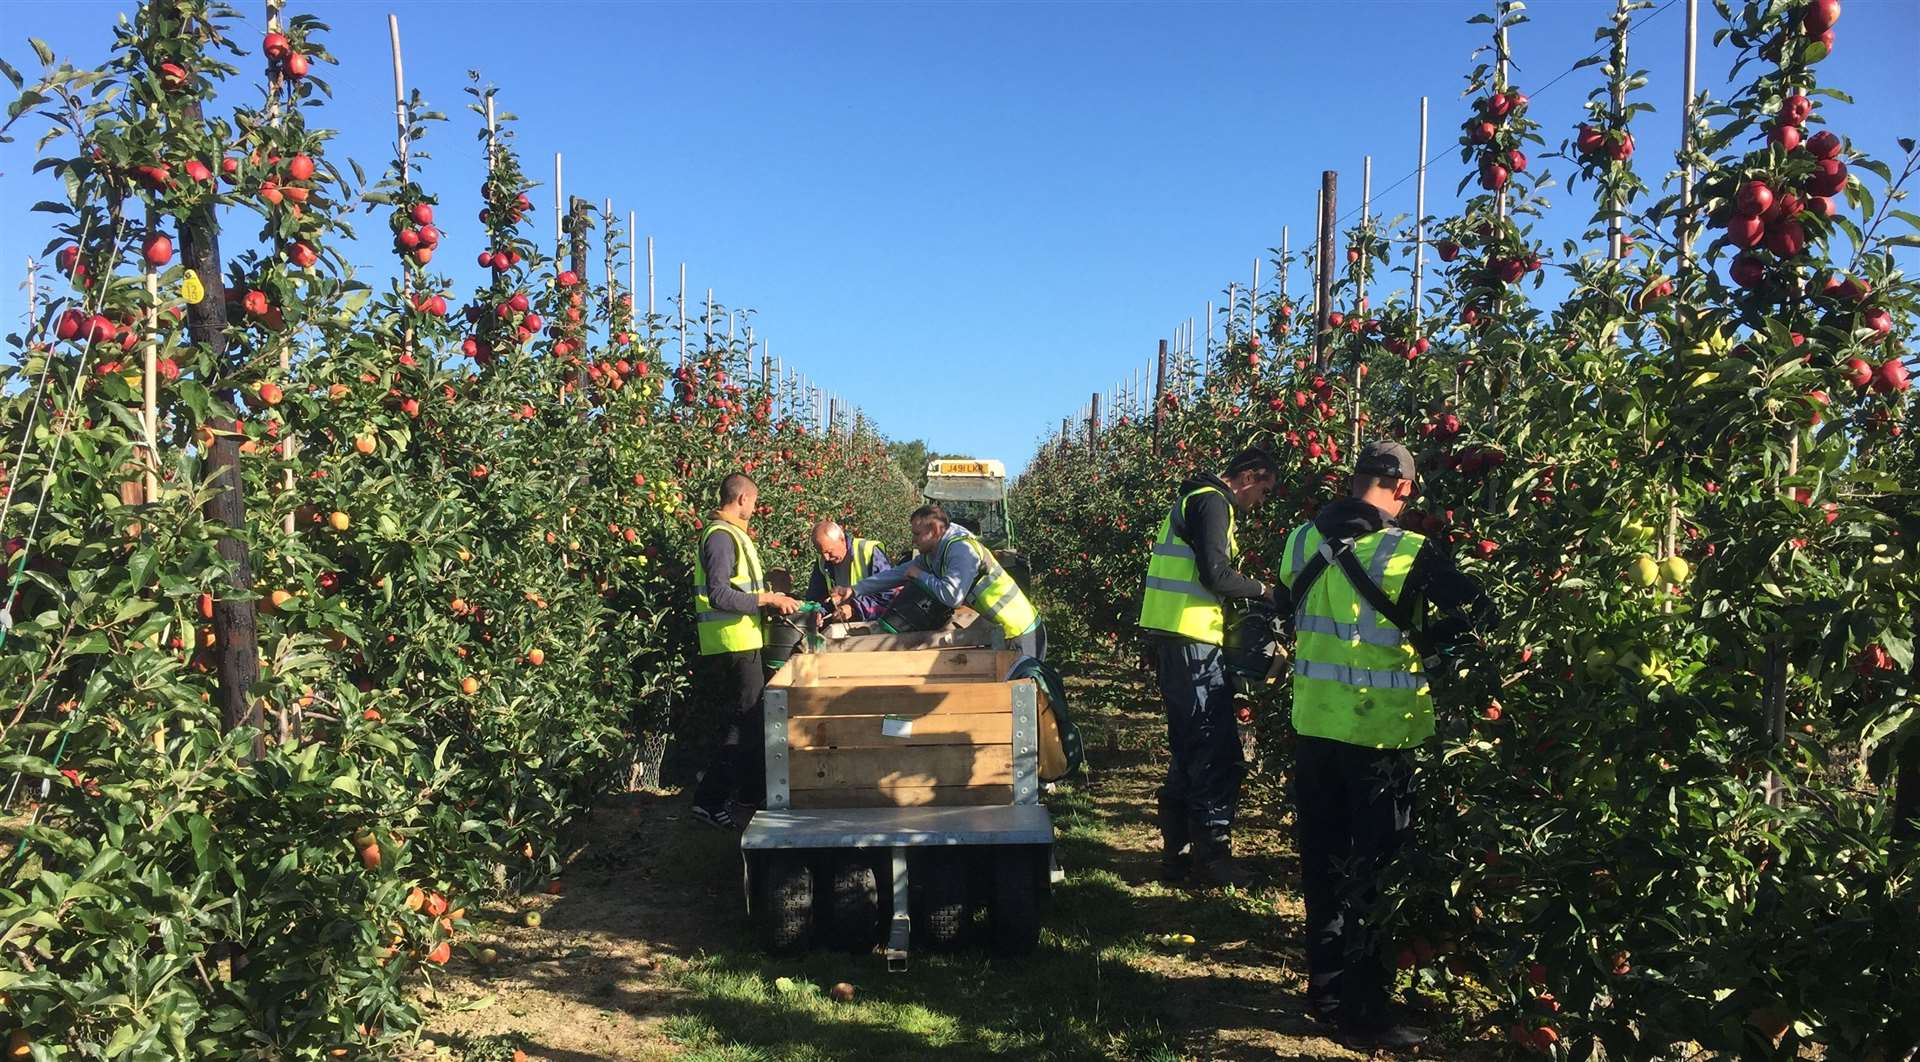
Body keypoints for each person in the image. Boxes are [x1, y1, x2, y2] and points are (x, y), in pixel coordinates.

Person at [1272, 441, 1495, 1049]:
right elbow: (1477, 613)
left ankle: (1326, 990)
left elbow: (1288, 608)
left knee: (1322, 863)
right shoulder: (1410, 550)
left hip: (1314, 729)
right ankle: (1366, 1014)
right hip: (1382, 736)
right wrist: (1436, 638)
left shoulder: (1299, 542)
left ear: (1355, 481)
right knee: (1375, 875)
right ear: (1402, 490)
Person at [1136, 446, 1280, 889]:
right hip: (1192, 639)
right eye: (1265, 490)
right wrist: (1265, 591)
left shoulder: (1193, 498)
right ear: (1250, 476)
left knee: (1189, 748)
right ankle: (1211, 859)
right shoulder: (1213, 502)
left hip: (1177, 636)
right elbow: (1216, 575)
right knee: (1214, 750)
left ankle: (1177, 857)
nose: (1261, 502)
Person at [691, 472, 801, 830]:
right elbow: (719, 593)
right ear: (741, 499)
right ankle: (710, 799)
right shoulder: (721, 537)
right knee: (746, 719)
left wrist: (770, 601)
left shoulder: (733, 535)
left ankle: (746, 793)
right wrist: (765, 598)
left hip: (743, 640)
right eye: (754, 501)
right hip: (732, 642)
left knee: (751, 719)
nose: (755, 507)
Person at [839, 503, 1045, 659]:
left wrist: (920, 575)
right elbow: (900, 572)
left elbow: (952, 596)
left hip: (1019, 629)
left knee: (1023, 694)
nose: (914, 540)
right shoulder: (937, 552)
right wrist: (855, 590)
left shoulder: (961, 550)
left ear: (936, 531)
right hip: (1002, 628)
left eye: (917, 534)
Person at [805, 520, 894, 622]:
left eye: (829, 552)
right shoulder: (823, 561)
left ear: (842, 539)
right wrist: (818, 611)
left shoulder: (868, 552)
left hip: (874, 627)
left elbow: (887, 597)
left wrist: (854, 608)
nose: (826, 557)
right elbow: (817, 596)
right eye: (821, 553)